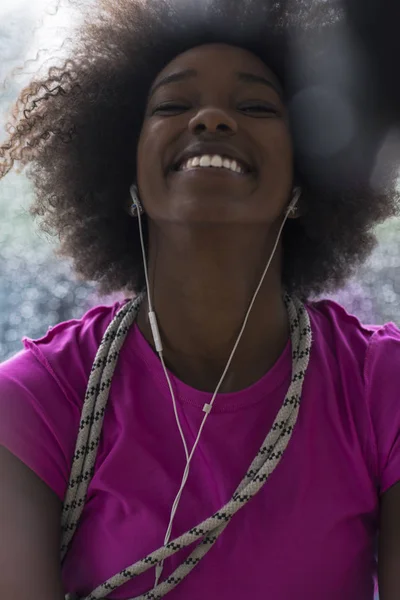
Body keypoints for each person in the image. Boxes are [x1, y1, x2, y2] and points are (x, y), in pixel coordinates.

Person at [0, 0, 400, 598]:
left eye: (256, 106)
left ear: (306, 176)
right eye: (173, 105)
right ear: (125, 173)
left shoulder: (380, 388)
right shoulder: (35, 401)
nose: (212, 119)